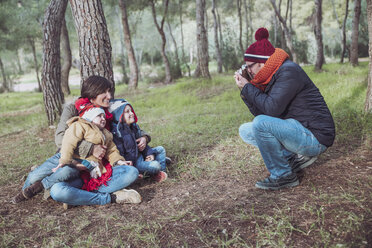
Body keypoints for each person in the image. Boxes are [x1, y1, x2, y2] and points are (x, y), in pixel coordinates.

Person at [13, 76, 142, 206]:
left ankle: (90, 196)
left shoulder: (111, 108)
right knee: (54, 188)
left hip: (100, 168)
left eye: (110, 91)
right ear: (93, 95)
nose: (109, 96)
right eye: (105, 92)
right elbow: (61, 139)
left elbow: (132, 127)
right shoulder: (73, 109)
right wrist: (91, 148)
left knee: (131, 172)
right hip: (72, 161)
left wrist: (144, 138)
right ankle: (107, 196)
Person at [234, 27, 335, 190]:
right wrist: (246, 89)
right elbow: (263, 114)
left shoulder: (288, 71)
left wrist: (248, 87)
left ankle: (283, 176)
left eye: (249, 66)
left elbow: (271, 110)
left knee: (259, 123)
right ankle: (291, 159)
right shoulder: (270, 75)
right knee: (246, 129)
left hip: (315, 137)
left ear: (260, 63)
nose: (248, 70)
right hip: (299, 129)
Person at [109, 99, 168, 182]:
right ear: (119, 115)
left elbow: (142, 145)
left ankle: (160, 172)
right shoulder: (117, 133)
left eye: (131, 111)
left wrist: (149, 153)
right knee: (156, 165)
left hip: (140, 156)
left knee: (160, 149)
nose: (132, 113)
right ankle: (156, 168)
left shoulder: (133, 127)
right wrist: (132, 168)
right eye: (127, 112)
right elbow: (121, 154)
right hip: (135, 163)